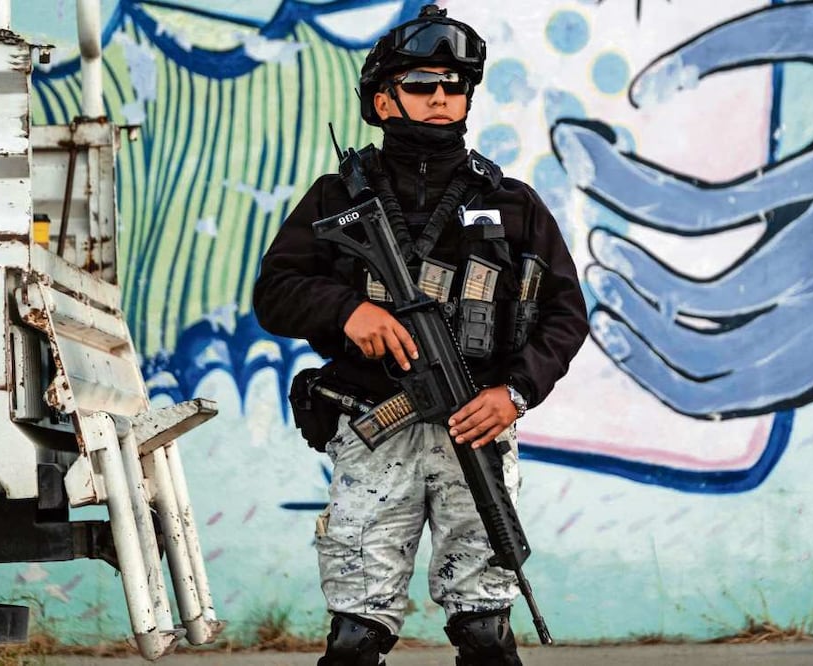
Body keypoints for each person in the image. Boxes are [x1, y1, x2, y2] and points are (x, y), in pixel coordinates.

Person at [252, 5, 588, 665]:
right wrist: (348, 311)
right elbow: (276, 292)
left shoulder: (510, 201)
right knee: (356, 636)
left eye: (453, 86)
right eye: (421, 85)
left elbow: (565, 313)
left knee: (485, 630)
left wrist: (514, 394)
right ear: (383, 98)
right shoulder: (335, 198)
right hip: (377, 423)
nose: (440, 99)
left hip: (478, 423)